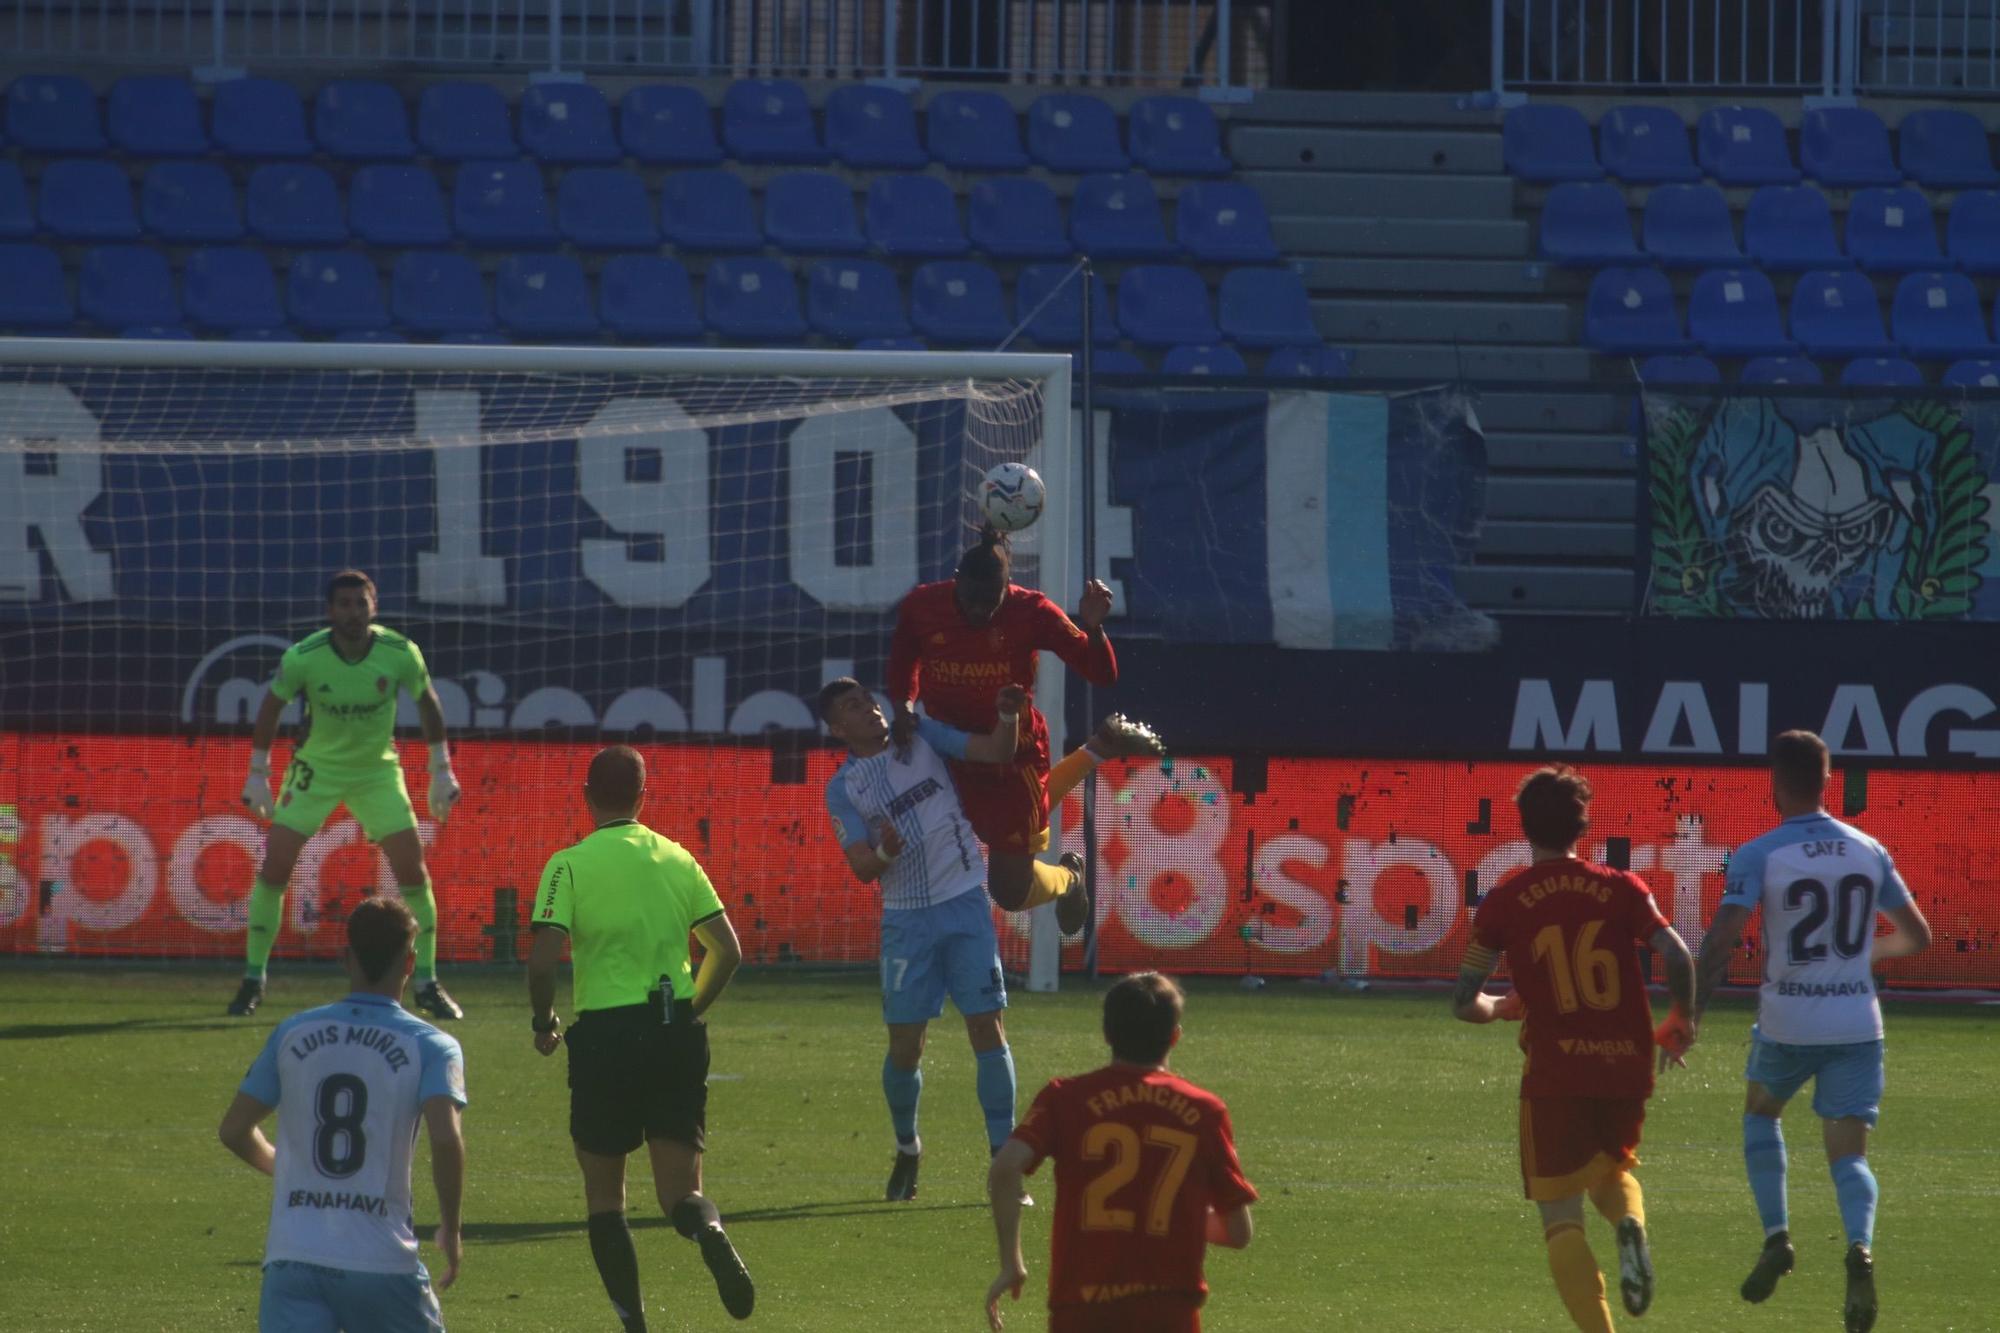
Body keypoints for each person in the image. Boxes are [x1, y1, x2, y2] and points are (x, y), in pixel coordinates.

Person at [823, 677, 1146, 1202]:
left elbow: (996, 749)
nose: (869, 710)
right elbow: (862, 867)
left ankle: (1004, 1163)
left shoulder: (923, 736)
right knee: (906, 1048)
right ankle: (907, 1148)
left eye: (868, 701)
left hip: (964, 902)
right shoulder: (844, 787)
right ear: (839, 729)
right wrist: (884, 853)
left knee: (987, 1028)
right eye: (852, 709)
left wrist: (1009, 712)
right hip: (906, 922)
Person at [1694, 730, 1931, 1333]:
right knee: (1849, 1155)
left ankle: (1777, 1236)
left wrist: (1689, 1012)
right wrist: (1860, 961)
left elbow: (1722, 938)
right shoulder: (1869, 848)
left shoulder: (1759, 853)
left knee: (1760, 1114)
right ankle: (1858, 1247)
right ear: (1829, 780)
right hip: (1857, 1022)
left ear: (1775, 781)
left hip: (1788, 1023)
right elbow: (1917, 937)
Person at [1453, 765, 1697, 1333]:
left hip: (1555, 1072)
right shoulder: (1621, 887)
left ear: (1523, 827)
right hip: (1624, 1065)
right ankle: (1630, 1224)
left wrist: (1501, 1007)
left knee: (1560, 1219)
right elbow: (1680, 955)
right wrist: (1682, 1020)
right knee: (1612, 1170)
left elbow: (1465, 1000)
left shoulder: (1506, 901)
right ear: (1582, 827)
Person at [527, 745, 755, 1330]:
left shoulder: (568, 864)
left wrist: (543, 1020)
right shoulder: (678, 858)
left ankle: (635, 1323)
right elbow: (727, 949)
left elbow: (543, 961)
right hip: (673, 1032)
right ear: (643, 796)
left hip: (605, 1037)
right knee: (680, 1194)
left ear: (585, 796)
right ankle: (709, 1230)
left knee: (606, 1200)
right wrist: (689, 1010)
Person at [218, 896, 466, 1333]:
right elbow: (446, 1139)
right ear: (410, 962)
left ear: (345, 957)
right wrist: (451, 1226)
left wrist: (290, 1169)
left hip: (292, 1257)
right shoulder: (430, 1045)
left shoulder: (294, 1032)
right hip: (381, 1260)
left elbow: (236, 1130)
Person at [231, 569, 464, 1021]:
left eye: (362, 603)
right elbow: (272, 704)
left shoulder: (400, 652)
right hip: (316, 771)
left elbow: (427, 700)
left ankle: (428, 982)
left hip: (378, 772)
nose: (354, 613)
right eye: (344, 604)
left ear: (374, 606)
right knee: (275, 866)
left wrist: (441, 769)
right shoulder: (305, 656)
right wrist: (258, 772)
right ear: (329, 610)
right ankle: (252, 978)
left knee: (412, 872)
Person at [887, 527, 1135, 924]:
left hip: (1011, 756)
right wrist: (902, 708)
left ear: (1008, 588)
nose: (980, 611)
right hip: (948, 750)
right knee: (928, 862)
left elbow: (1101, 673)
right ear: (956, 581)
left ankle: (1070, 878)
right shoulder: (922, 606)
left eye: (991, 601)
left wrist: (1093, 628)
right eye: (970, 599)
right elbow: (902, 664)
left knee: (1009, 893)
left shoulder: (1032, 611)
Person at [985, 972, 1257, 1333]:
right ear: (1174, 1036)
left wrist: (1012, 1263)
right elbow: (1238, 1231)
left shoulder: (1065, 1098)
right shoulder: (1205, 1111)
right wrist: (1172, 1214)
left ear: (1107, 1034)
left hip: (1082, 1308)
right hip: (1168, 1312)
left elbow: (1005, 1169)